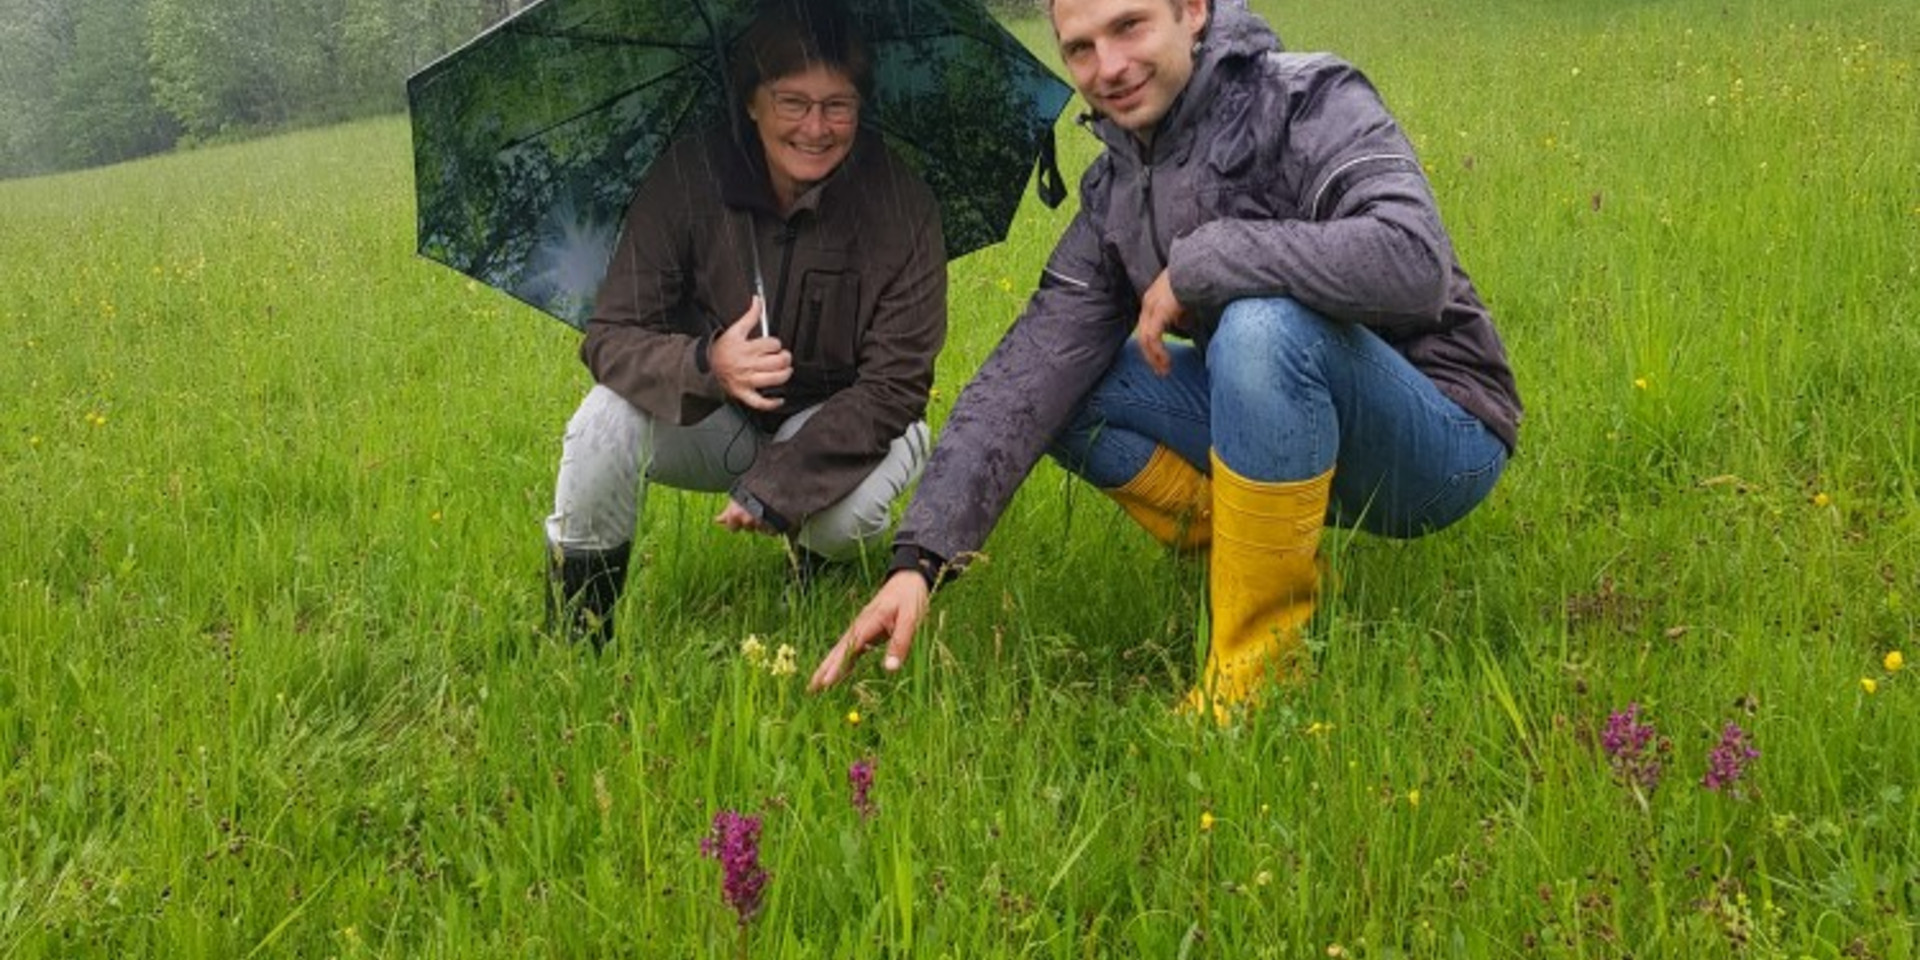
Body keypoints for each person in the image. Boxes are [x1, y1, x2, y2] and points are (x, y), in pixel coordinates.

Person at [809, 0, 1521, 715]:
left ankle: (1259, 675)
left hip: (1439, 439)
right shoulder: (1117, 186)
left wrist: (1207, 260)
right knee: (1067, 389)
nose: (1108, 68)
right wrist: (920, 562)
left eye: (1129, 26)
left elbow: (1413, 261)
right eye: (1080, 48)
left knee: (1259, 324)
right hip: (1291, 422)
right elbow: (1031, 369)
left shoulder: (1307, 99)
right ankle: (1258, 562)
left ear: (1193, 11)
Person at [544, 0, 946, 648]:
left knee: (844, 524)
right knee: (602, 421)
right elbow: (610, 334)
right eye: (792, 102)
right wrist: (709, 365)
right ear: (752, 101)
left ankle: (816, 564)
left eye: (837, 105)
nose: (816, 128)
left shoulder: (902, 205)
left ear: (860, 107)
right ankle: (578, 628)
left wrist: (778, 487)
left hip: (849, 422)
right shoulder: (687, 177)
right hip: (724, 415)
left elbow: (897, 386)